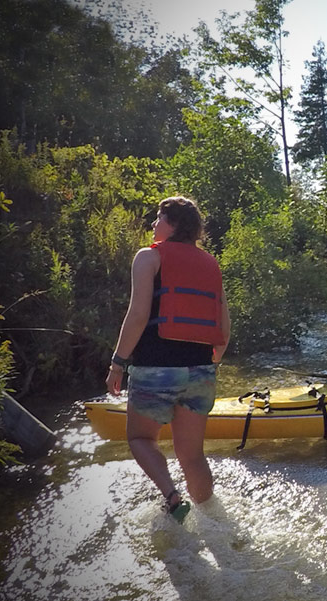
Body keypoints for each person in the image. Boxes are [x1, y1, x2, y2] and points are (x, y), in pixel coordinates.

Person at [106, 196, 231, 523]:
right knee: (192, 455)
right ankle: (213, 520)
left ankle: (173, 498)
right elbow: (224, 327)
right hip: (202, 368)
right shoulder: (211, 264)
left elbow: (137, 316)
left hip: (156, 367)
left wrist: (117, 362)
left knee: (139, 438)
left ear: (173, 224)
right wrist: (211, 362)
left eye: (158, 218)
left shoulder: (149, 257)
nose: (153, 225)